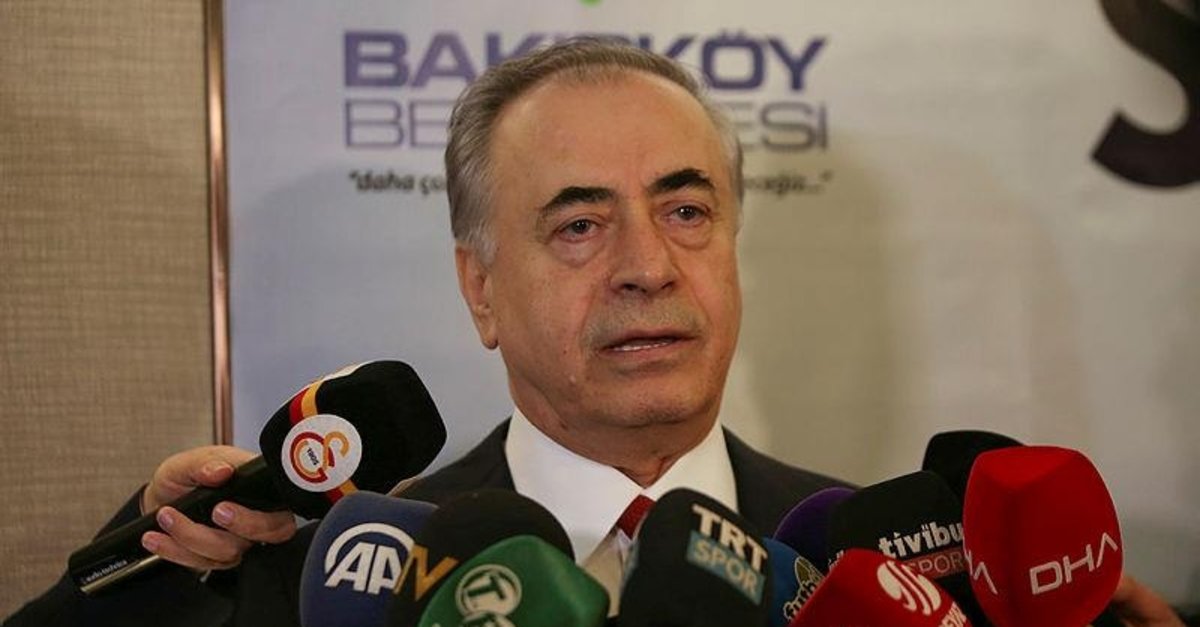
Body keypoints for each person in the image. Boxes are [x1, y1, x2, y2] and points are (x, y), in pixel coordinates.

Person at [5, 38, 1189, 627]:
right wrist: (153, 556)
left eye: (686, 211)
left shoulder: (900, 579)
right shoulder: (320, 581)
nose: (647, 266)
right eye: (578, 224)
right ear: (479, 290)